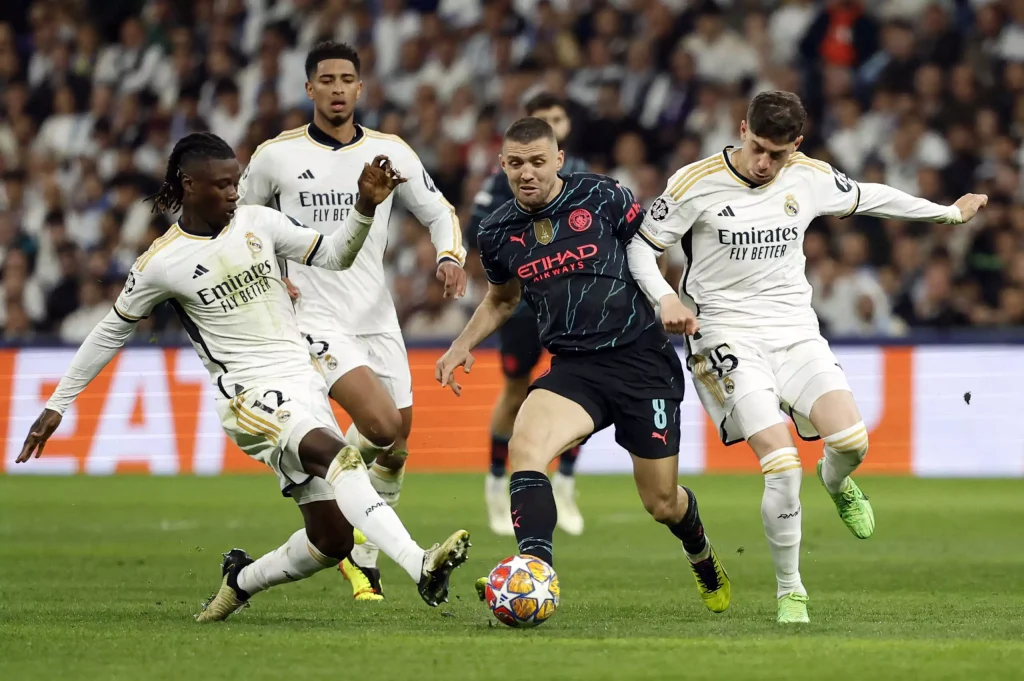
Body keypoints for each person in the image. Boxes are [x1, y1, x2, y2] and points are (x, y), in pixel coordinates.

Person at [15, 132, 471, 621]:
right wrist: (57, 404)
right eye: (223, 186)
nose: (235, 194)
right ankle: (419, 564)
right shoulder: (161, 263)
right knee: (341, 458)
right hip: (248, 395)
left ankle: (241, 579)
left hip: (303, 382)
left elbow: (336, 255)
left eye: (236, 183)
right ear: (189, 186)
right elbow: (109, 332)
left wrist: (363, 207)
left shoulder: (259, 222)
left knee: (331, 539)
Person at [627, 90, 988, 624]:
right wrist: (666, 297)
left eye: (776, 153)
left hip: (795, 332)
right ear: (742, 128)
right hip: (723, 335)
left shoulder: (807, 176)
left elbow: (869, 196)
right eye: (756, 147)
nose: (763, 163)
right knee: (781, 462)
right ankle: (790, 591)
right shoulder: (694, 183)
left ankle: (836, 481)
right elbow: (641, 246)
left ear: (795, 145)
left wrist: (948, 214)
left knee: (852, 441)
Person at [436, 117, 731, 614]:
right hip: (574, 368)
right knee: (526, 447)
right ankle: (536, 573)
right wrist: (460, 344)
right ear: (502, 165)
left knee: (662, 503)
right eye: (516, 163)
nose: (527, 173)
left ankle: (700, 551)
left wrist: (664, 299)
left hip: (641, 361)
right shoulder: (497, 230)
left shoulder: (602, 195)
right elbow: (502, 300)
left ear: (558, 159)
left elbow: (651, 252)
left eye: (537, 162)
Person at [238, 41, 467, 602]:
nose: (337, 88)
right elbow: (239, 227)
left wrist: (449, 255)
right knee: (382, 425)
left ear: (361, 88)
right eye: (327, 79)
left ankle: (362, 554)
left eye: (347, 79)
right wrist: (270, 277)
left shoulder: (390, 152)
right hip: (313, 315)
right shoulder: (275, 156)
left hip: (376, 313)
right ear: (309, 88)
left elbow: (439, 211)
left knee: (396, 444)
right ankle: (333, 487)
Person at [469, 93, 590, 537]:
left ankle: (566, 483)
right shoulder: (508, 178)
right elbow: (478, 229)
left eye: (558, 117)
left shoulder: (584, 176)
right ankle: (496, 483)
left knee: (583, 392)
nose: (552, 123)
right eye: (543, 118)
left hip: (572, 303)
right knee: (515, 392)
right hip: (522, 307)